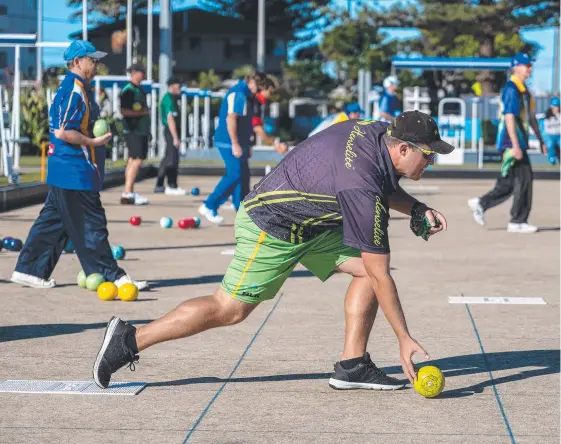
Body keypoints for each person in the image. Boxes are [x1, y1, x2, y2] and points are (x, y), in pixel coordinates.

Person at [92, 110, 455, 391]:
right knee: (229, 309)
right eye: (428, 156)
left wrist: (418, 208)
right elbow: (379, 262)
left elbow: (377, 181)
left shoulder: (378, 131)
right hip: (272, 224)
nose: (431, 162)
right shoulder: (360, 182)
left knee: (367, 273)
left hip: (310, 222)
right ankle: (127, 341)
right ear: (403, 148)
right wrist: (403, 338)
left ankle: (352, 365)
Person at [10, 40, 147, 291]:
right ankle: (111, 275)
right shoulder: (74, 89)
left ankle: (28, 270)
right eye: (92, 60)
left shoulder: (78, 88)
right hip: (75, 171)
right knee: (92, 224)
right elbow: (64, 132)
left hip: (67, 171)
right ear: (77, 62)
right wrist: (94, 141)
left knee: (53, 223)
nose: (96, 65)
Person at [468, 52, 547, 234]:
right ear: (516, 67)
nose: (530, 68)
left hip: (518, 142)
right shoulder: (511, 89)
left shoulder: (524, 90)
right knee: (525, 179)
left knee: (511, 182)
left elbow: (532, 118)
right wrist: (515, 145)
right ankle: (517, 221)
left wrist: (541, 139)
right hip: (511, 142)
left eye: (530, 65)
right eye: (526, 65)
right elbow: (509, 117)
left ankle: (482, 203)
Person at [198, 72, 266, 224]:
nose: (260, 90)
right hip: (228, 141)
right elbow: (231, 118)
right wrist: (235, 143)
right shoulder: (238, 93)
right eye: (260, 87)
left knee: (244, 175)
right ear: (253, 82)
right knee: (235, 174)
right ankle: (209, 205)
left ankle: (242, 211)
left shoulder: (245, 94)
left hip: (238, 141)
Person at [119, 63, 150, 206]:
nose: (143, 75)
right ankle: (127, 191)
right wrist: (141, 112)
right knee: (137, 160)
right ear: (135, 73)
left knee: (132, 160)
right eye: (141, 72)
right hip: (133, 130)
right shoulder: (129, 90)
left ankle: (129, 191)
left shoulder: (139, 90)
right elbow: (124, 111)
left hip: (140, 130)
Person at [154, 77, 186, 195]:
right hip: (170, 130)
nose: (180, 89)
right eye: (179, 86)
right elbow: (170, 118)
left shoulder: (173, 98)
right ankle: (170, 185)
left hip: (172, 131)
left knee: (169, 157)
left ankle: (162, 184)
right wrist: (175, 138)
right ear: (172, 86)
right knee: (171, 159)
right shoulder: (168, 99)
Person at [544, 96, 560, 165]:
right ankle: (551, 158)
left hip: (559, 135)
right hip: (550, 135)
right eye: (553, 107)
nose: (555, 108)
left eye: (556, 107)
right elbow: (544, 129)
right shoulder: (547, 115)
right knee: (550, 145)